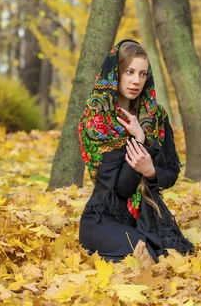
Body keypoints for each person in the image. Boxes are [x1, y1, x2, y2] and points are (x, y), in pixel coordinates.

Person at [78, 39, 194, 263]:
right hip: (105, 217)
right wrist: (139, 139)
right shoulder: (98, 118)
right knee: (146, 256)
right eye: (129, 72)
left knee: (179, 257)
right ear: (116, 73)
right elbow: (120, 189)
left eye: (142, 74)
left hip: (148, 215)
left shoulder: (155, 116)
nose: (136, 81)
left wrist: (151, 172)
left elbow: (170, 173)